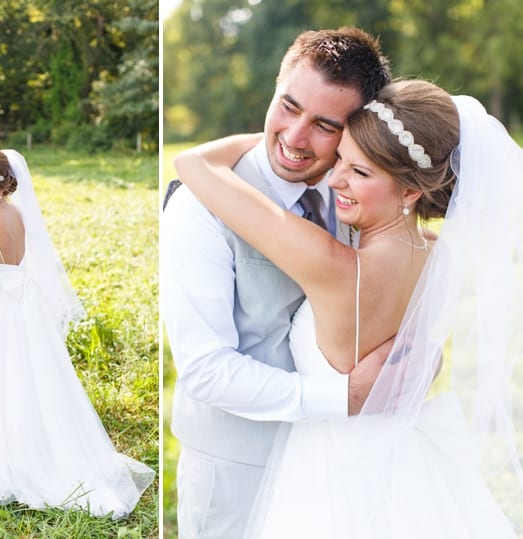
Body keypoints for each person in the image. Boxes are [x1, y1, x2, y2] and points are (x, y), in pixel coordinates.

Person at [174, 80, 522, 537]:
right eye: (340, 159)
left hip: (328, 472)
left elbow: (192, 163)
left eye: (360, 172)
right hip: (406, 465)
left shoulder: (332, 265)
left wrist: (273, 138)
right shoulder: (443, 258)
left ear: (411, 191)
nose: (335, 178)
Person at [161, 27, 392, 537]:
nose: (294, 137)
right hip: (237, 467)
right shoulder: (200, 205)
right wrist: (344, 398)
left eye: (324, 125)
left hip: (333, 460)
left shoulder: (360, 198)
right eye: (288, 106)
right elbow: (204, 369)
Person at [0, 148, 155, 517]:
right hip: (25, 311)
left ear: (1, 188)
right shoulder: (20, 214)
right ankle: (34, 446)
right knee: (31, 382)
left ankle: (8, 461)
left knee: (2, 383)